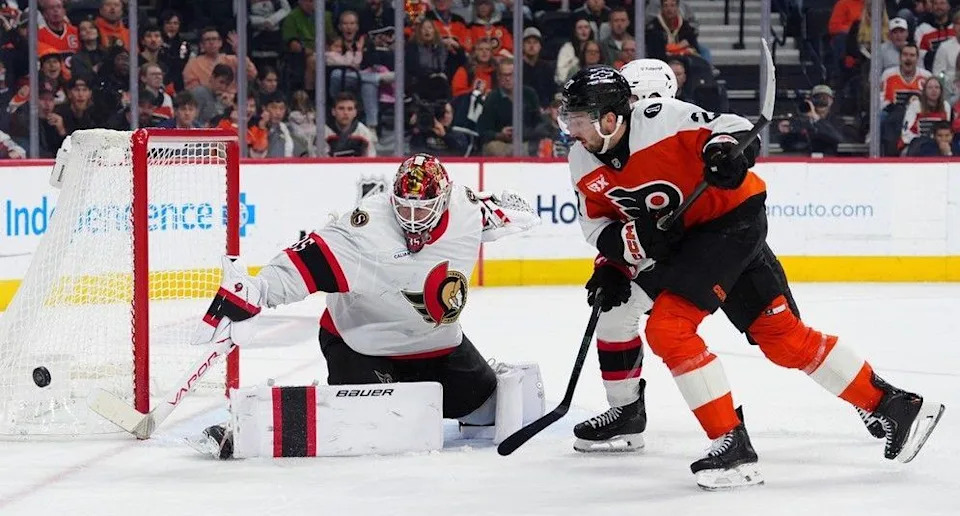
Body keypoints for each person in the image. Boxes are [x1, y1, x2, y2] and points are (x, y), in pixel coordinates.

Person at [560, 65, 945, 489]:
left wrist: (726, 153)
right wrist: (617, 258)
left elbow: (730, 128)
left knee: (669, 328)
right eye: (569, 121)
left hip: (731, 224)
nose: (570, 131)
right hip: (686, 244)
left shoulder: (661, 119)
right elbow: (600, 228)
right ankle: (896, 407)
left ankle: (733, 447)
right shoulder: (580, 160)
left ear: (610, 117)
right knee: (782, 338)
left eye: (577, 121)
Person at [191, 153, 540, 458]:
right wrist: (256, 290)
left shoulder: (467, 211)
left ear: (445, 201)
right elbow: (304, 263)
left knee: (480, 405)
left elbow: (501, 211)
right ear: (391, 199)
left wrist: (517, 210)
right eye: (404, 207)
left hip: (437, 346)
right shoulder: (362, 229)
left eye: (423, 208)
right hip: (361, 346)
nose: (413, 219)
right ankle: (267, 423)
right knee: (375, 423)